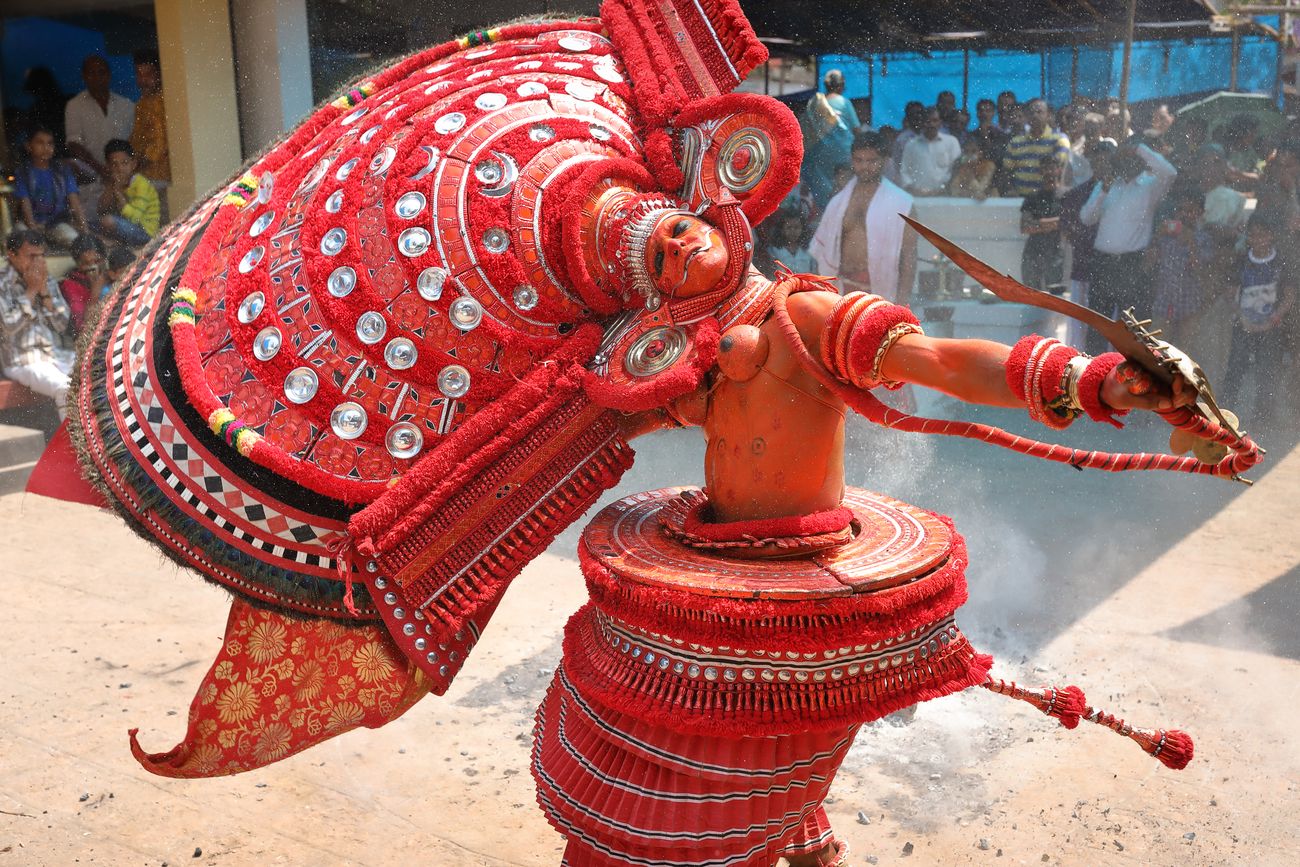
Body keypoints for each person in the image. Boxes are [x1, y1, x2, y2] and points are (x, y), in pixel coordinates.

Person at [42, 7, 1237, 867]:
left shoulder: (813, 321)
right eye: (642, 259)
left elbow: (945, 361)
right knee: (634, 790)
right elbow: (520, 453)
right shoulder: (678, 365)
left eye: (666, 233)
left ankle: (790, 838)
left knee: (737, 781)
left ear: (712, 204)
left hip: (798, 586)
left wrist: (1095, 382)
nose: (667, 252)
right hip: (700, 584)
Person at [1079, 140, 1177, 352]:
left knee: (1134, 331)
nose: (1126, 163)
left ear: (1140, 161)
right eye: (1122, 159)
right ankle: (1095, 378)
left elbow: (1170, 173)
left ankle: (1132, 382)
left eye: (1131, 159)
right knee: (1098, 327)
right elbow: (1086, 218)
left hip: (1132, 265)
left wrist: (1139, 148)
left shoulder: (1150, 186)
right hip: (1103, 264)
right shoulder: (1106, 186)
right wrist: (1104, 189)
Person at [811, 129, 917, 302]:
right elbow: (822, 251)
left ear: (884, 161)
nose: (865, 167)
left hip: (879, 293)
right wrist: (820, 294)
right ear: (852, 160)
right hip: (840, 290)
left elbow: (909, 257)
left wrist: (903, 303)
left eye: (871, 161)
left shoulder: (902, 204)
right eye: (859, 160)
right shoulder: (838, 203)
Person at [1222, 214, 1293, 426]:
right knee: (1235, 368)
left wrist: (1274, 318)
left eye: (1263, 234)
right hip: (1243, 324)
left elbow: (1289, 295)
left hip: (1272, 326)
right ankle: (1225, 414)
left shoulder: (1281, 261)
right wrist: (1243, 319)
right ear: (1248, 237)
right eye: (1253, 234)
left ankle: (1264, 417)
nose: (1258, 238)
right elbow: (1230, 293)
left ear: (1271, 236)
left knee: (1267, 370)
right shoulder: (1242, 260)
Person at [0, 230, 74, 417]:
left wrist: (44, 293)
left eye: (41, 256)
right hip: (22, 360)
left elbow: (62, 324)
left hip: (53, 354)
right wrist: (31, 291)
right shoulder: (2, 283)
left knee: (96, 373)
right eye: (31, 256)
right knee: (64, 389)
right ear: (11, 254)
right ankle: (74, 445)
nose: (37, 262)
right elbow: (8, 328)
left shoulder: (44, 277)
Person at [64, 55, 136, 212]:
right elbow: (73, 144)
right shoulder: (75, 106)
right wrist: (100, 169)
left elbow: (134, 140)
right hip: (94, 179)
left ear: (109, 75)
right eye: (91, 73)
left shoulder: (126, 105)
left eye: (101, 72)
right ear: (84, 76)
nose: (97, 77)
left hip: (126, 177)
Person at [1148, 189, 1214, 350]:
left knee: (1186, 354)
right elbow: (1148, 265)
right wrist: (1156, 237)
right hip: (1164, 303)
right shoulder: (1164, 236)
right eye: (1181, 210)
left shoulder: (1204, 238)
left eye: (1190, 211)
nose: (1184, 215)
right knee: (1155, 351)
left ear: (1200, 213)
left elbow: (1202, 271)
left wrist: (1191, 242)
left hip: (1190, 305)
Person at [13, 127, 88, 250]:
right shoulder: (23, 172)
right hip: (31, 224)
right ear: (28, 146)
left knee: (75, 241)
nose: (46, 147)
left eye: (50, 143)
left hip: (56, 224)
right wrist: (33, 230)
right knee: (21, 235)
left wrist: (85, 231)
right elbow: (25, 203)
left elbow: (75, 202)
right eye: (40, 142)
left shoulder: (63, 171)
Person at [800, 69, 861, 211]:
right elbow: (856, 130)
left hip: (820, 155)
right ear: (841, 85)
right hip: (843, 155)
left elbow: (807, 131)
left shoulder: (815, 103)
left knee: (823, 188)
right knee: (843, 186)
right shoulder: (845, 103)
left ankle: (826, 213)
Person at [129, 49, 171, 219]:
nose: (143, 81)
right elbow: (136, 139)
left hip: (162, 177)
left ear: (160, 74)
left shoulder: (165, 100)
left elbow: (159, 144)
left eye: (148, 74)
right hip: (145, 177)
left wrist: (135, 164)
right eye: (139, 75)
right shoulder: (141, 104)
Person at [96, 139, 160, 247]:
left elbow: (135, 218)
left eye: (124, 163)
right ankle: (117, 242)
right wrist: (112, 187)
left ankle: (117, 243)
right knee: (92, 225)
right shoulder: (114, 183)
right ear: (108, 166)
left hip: (145, 233)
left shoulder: (141, 184)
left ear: (133, 164)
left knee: (107, 221)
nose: (120, 168)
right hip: (128, 228)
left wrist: (118, 194)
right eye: (114, 164)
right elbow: (101, 209)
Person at [1003, 98, 1071, 197]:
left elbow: (1057, 170)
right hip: (1020, 199)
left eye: (1039, 112)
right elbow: (1006, 172)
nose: (1035, 115)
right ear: (1026, 116)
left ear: (1048, 116)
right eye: (1031, 112)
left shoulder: (1060, 140)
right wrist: (1011, 190)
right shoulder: (1015, 142)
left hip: (1049, 198)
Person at [1020, 155, 1065, 292]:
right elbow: (1025, 227)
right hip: (1033, 252)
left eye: (1052, 167)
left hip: (1055, 252)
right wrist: (1056, 222)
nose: (1049, 172)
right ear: (1040, 171)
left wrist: (1039, 224)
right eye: (1045, 168)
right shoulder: (1033, 197)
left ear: (1059, 170)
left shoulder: (1067, 195)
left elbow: (1070, 222)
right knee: (1031, 295)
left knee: (1055, 298)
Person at [899, 106, 961, 196]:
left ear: (940, 123)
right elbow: (904, 171)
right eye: (928, 121)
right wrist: (913, 189)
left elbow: (957, 169)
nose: (931, 124)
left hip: (944, 196)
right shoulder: (911, 145)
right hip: (918, 197)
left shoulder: (951, 142)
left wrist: (945, 188)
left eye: (935, 120)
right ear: (922, 123)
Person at [59, 234, 109, 337]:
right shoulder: (70, 285)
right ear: (78, 264)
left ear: (104, 259)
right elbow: (82, 328)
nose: (93, 267)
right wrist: (94, 293)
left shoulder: (112, 275)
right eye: (86, 263)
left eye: (97, 261)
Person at [765, 207, 816, 273]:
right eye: (789, 227)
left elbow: (815, 273)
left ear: (802, 229)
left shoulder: (810, 250)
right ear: (782, 230)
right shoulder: (773, 251)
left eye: (796, 227)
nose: (793, 231)